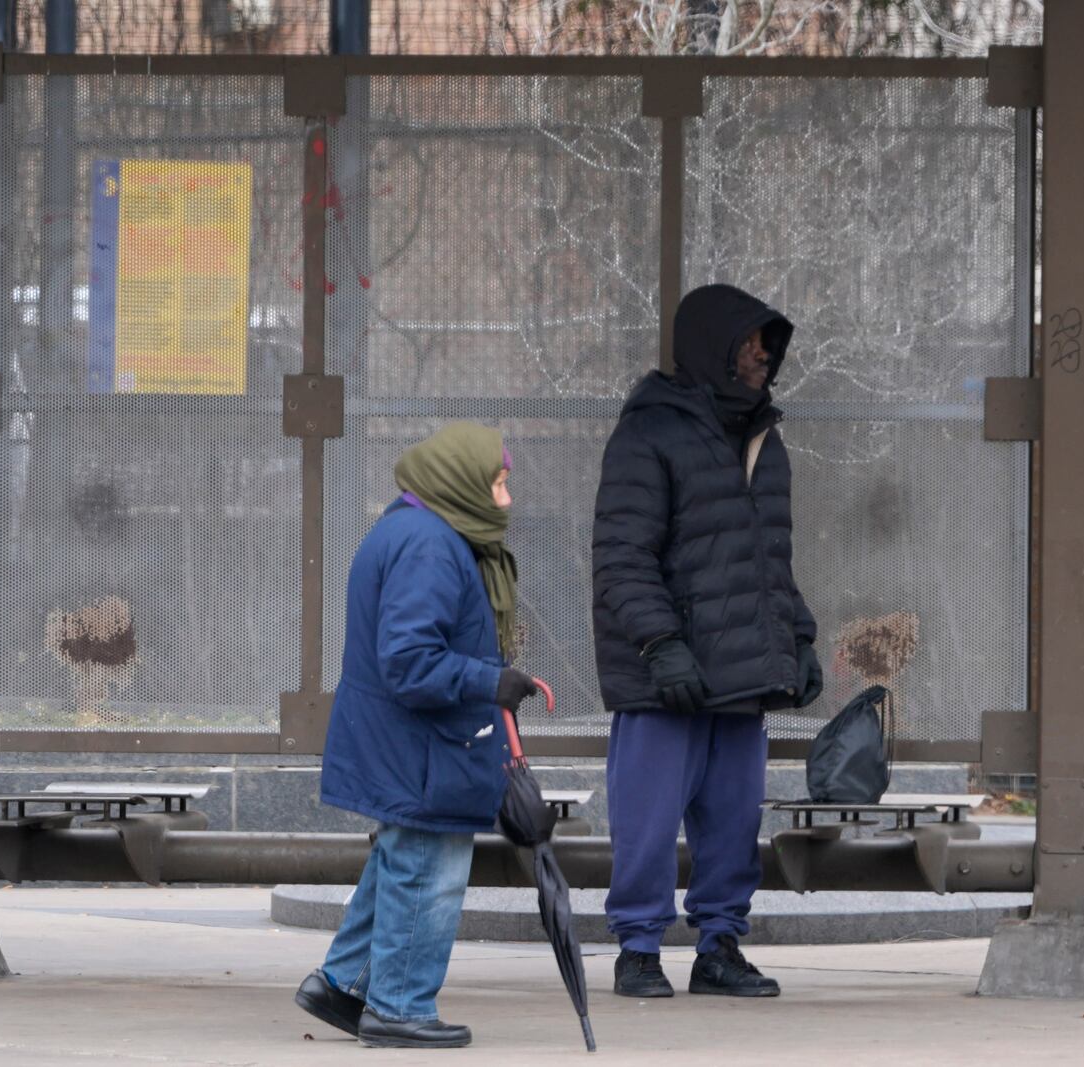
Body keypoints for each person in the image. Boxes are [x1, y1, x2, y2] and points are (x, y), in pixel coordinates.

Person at [593, 283, 822, 999]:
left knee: (732, 822)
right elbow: (621, 555)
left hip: (741, 671)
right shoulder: (650, 431)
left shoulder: (763, 436)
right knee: (648, 822)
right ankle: (638, 948)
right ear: (712, 345)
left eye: (768, 344)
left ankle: (719, 945)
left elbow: (767, 559)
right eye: (750, 341)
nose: (762, 355)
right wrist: (659, 643)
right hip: (667, 676)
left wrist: (800, 637)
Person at [293, 422, 539, 1049]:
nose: (506, 500)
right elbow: (409, 662)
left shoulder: (415, 529)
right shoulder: (430, 545)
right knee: (427, 868)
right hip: (424, 750)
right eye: (499, 484)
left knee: (402, 862)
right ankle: (399, 1006)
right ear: (461, 482)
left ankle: (346, 986)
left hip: (412, 745)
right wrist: (491, 680)